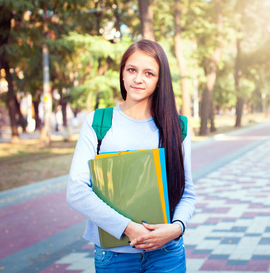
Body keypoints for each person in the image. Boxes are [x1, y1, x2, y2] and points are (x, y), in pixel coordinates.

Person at [67, 39, 196, 273]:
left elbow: (187, 193)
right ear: (123, 74)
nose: (138, 79)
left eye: (149, 73)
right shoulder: (99, 122)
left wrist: (177, 228)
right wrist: (129, 228)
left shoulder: (177, 127)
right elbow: (76, 191)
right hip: (115, 256)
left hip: (167, 254)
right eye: (132, 70)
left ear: (159, 81)